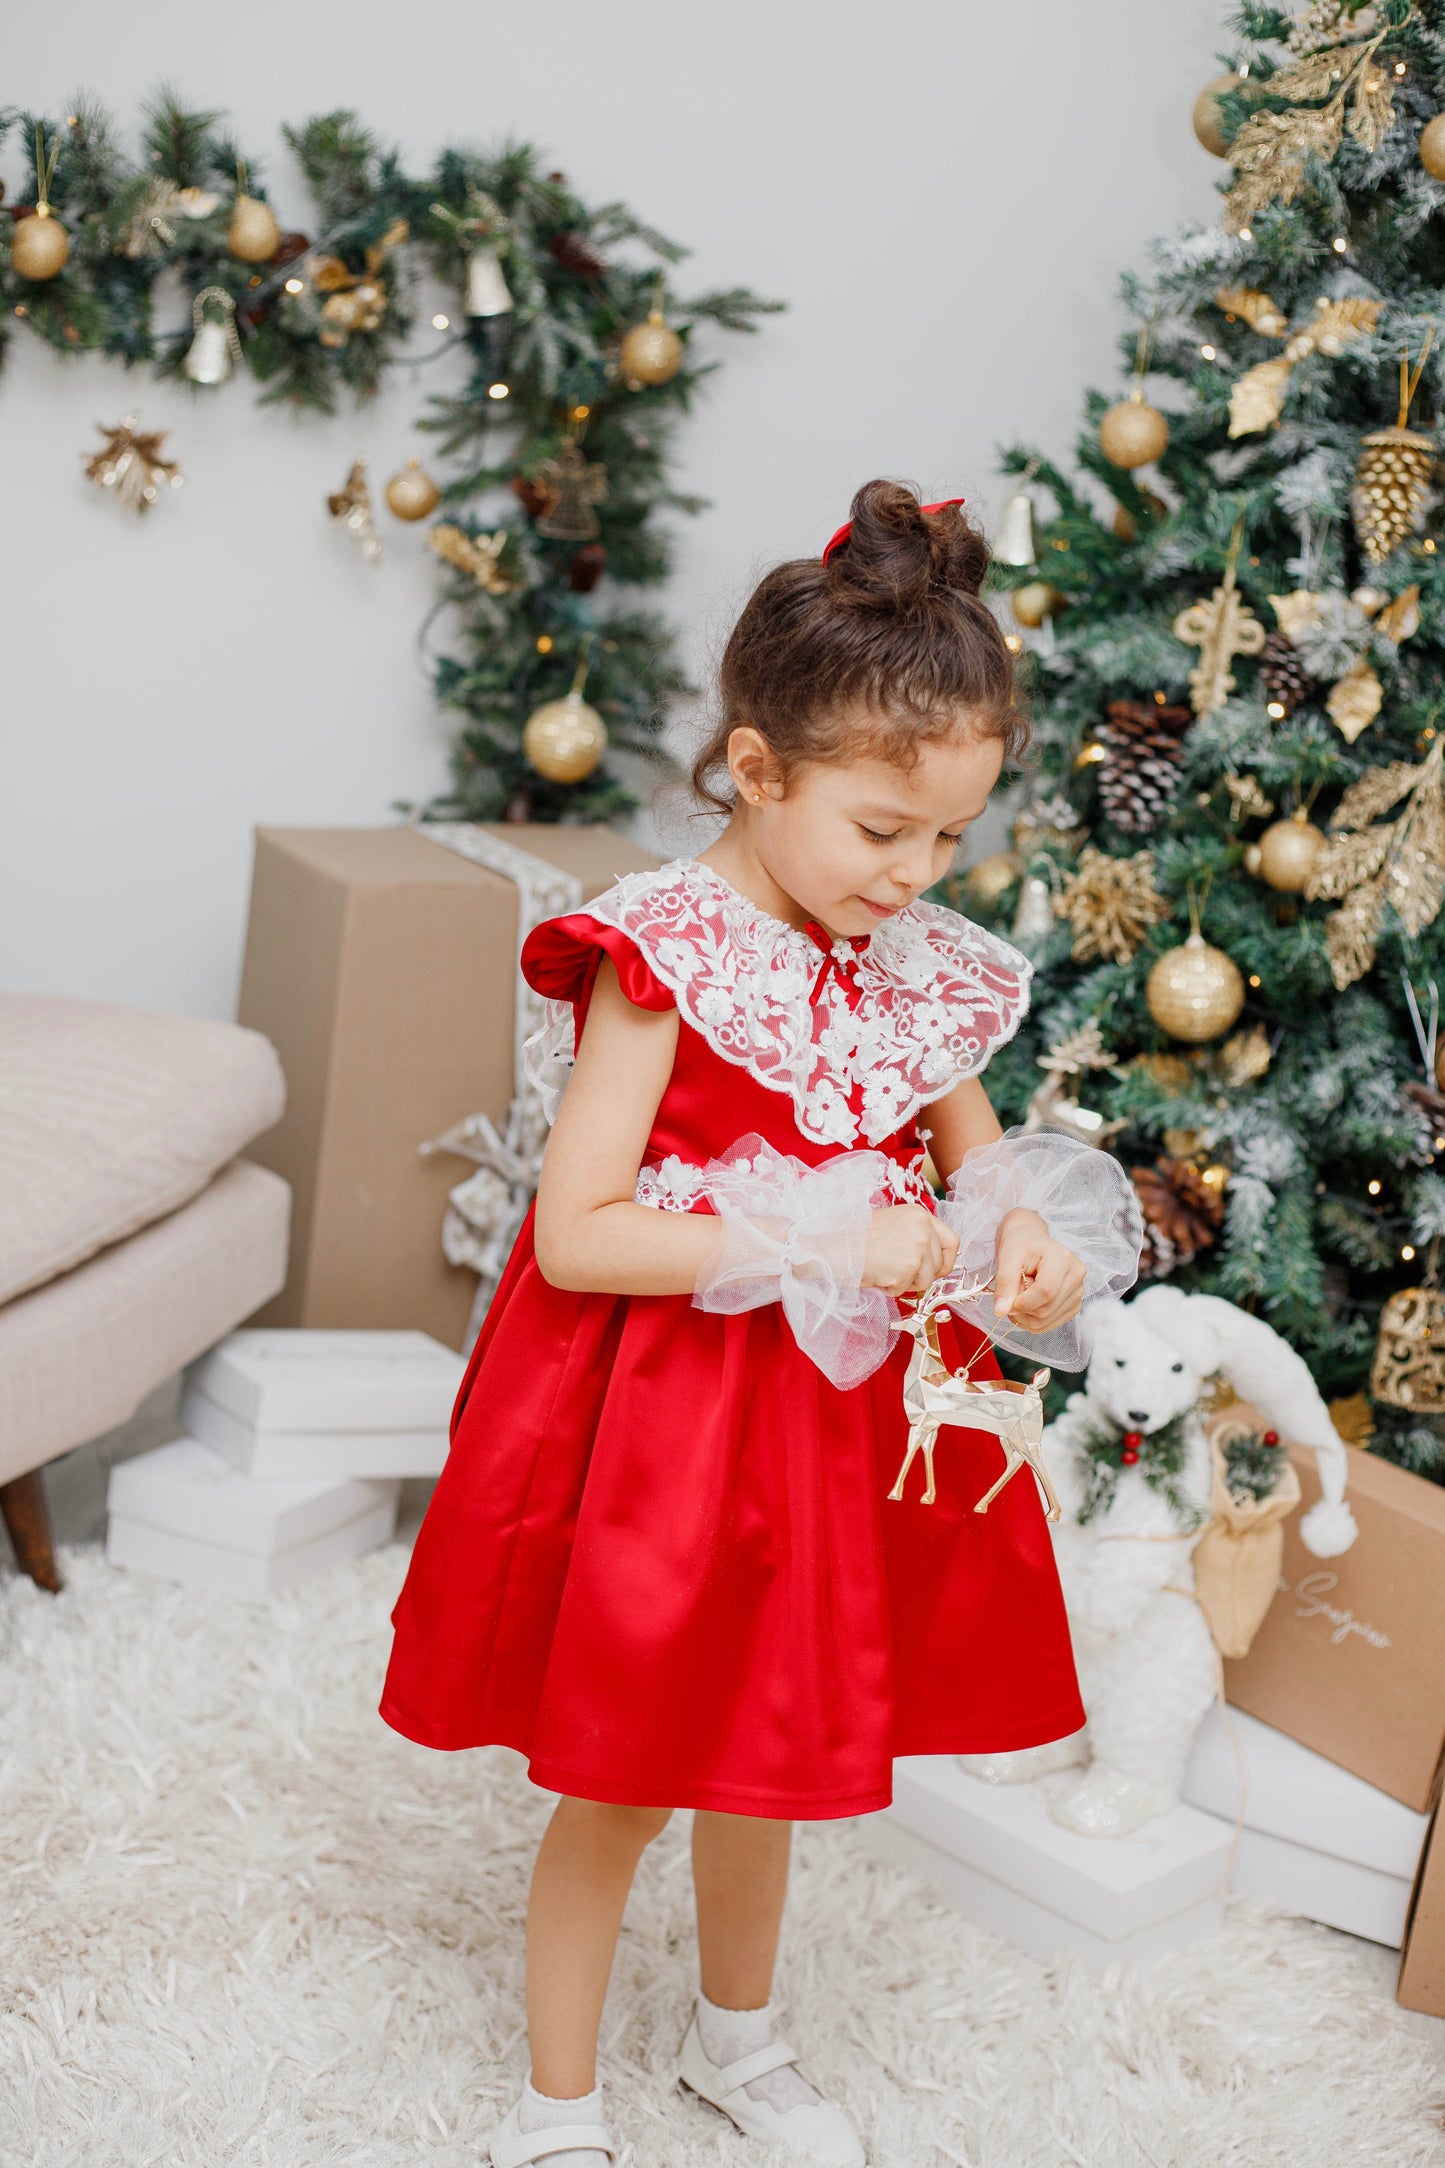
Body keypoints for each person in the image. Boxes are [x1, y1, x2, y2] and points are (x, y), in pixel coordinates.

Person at [381, 479, 1139, 2168]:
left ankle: (742, 2042)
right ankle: (555, 2103)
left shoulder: (906, 961)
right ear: (754, 769)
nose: (918, 872)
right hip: (666, 1409)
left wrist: (1019, 1228)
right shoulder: (658, 955)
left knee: (773, 1739)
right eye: (884, 830)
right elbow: (578, 1239)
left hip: (829, 1413)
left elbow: (980, 1156)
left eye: (951, 836)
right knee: (633, 1765)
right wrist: (813, 1226)